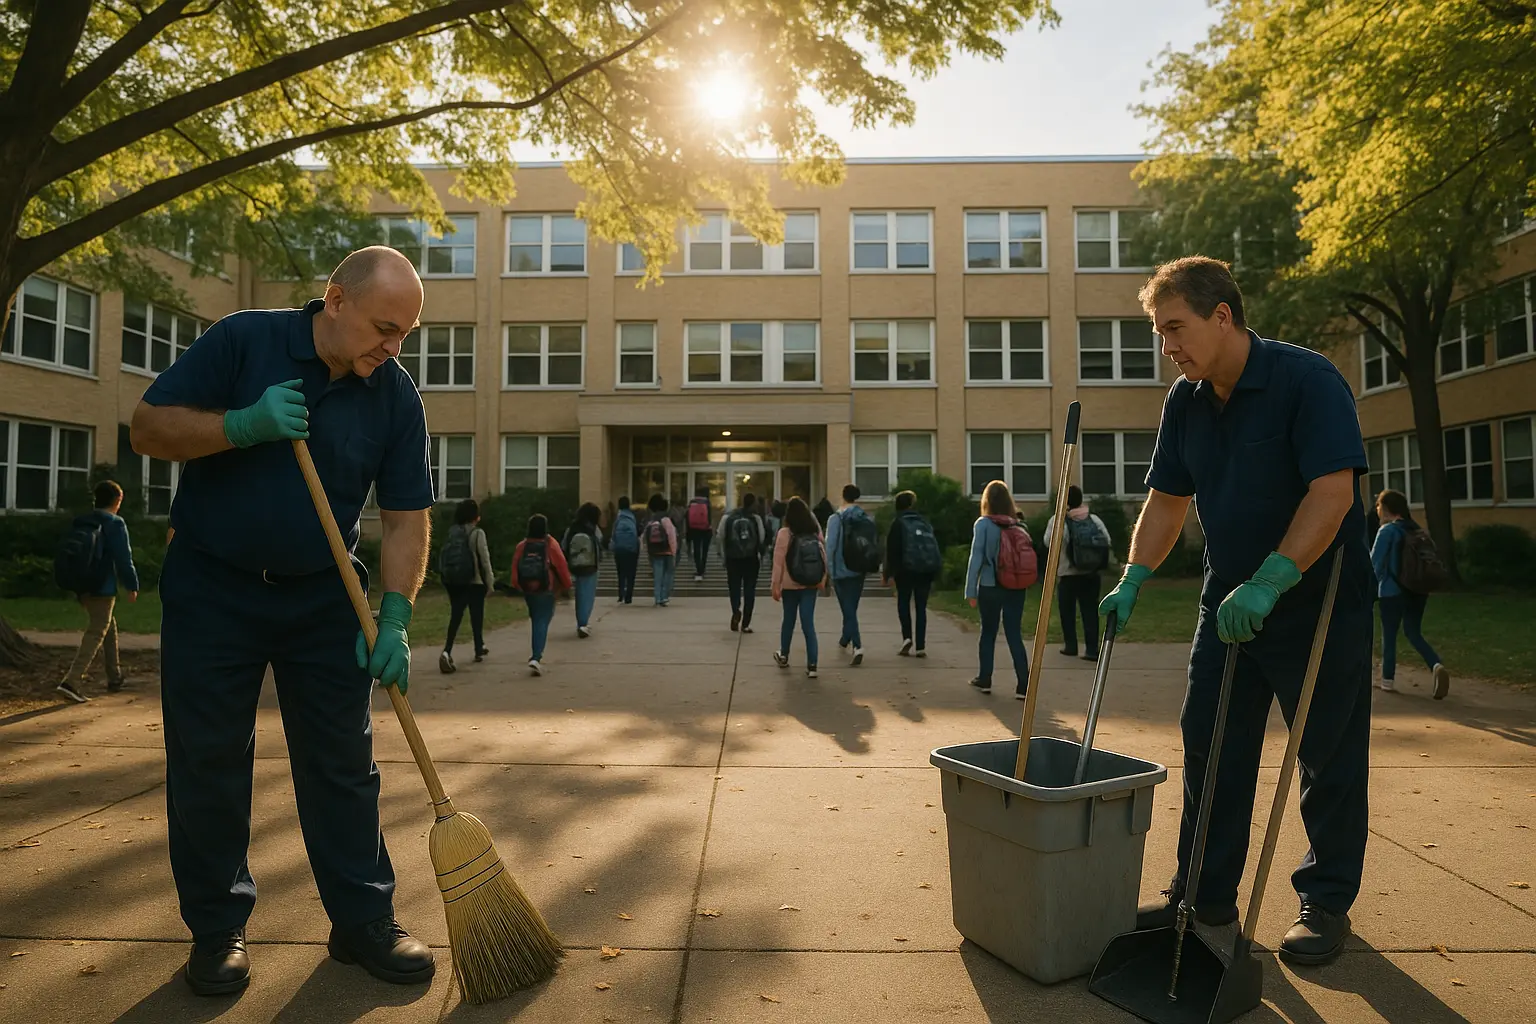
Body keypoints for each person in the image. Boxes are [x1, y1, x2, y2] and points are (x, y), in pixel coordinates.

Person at [130, 246, 436, 995]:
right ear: (335, 299)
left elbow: (405, 519)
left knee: (342, 764)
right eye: (383, 327)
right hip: (214, 588)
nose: (392, 348)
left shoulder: (394, 394)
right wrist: (241, 426)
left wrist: (394, 618)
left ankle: (362, 921)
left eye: (405, 335)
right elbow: (147, 428)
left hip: (325, 597)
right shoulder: (244, 340)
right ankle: (217, 928)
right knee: (209, 762)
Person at [1099, 256, 1373, 966]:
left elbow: (1333, 491)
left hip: (1317, 599)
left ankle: (1326, 900)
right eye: (1160, 334)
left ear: (1223, 315)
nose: (1168, 348)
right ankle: (1202, 894)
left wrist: (1274, 578)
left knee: (1327, 756)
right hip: (1228, 601)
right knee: (1212, 744)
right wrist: (1132, 577)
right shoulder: (1186, 402)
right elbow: (1167, 500)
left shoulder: (1306, 380)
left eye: (1176, 329)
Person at [55, 479, 140, 702]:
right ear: (117, 500)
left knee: (108, 625)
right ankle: (71, 681)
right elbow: (124, 559)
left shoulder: (83, 521)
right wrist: (132, 585)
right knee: (97, 630)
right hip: (103, 587)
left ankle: (115, 676)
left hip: (82, 584)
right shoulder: (115, 523)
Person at [1371, 489, 1450, 697]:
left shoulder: (1387, 531)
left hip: (1391, 592)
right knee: (1413, 632)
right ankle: (1436, 665)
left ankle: (1387, 680)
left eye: (1379, 505)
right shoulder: (1416, 530)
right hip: (1417, 590)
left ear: (1386, 508)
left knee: (1389, 636)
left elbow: (1375, 565)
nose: (1377, 510)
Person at [964, 480, 1032, 698]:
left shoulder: (983, 524)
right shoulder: (1018, 525)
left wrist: (970, 591)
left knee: (988, 632)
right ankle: (1023, 685)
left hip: (990, 586)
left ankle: (985, 679)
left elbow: (976, 559)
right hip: (1016, 586)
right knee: (1014, 633)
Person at [1045, 485, 1113, 661]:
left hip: (1068, 574)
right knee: (1090, 610)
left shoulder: (1058, 520)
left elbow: (1048, 542)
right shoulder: (1093, 519)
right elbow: (1107, 540)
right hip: (1091, 574)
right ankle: (1092, 649)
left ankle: (1071, 645)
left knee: (1067, 611)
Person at [508, 513, 573, 675]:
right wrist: (567, 585)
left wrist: (517, 585)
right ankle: (536, 657)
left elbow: (515, 567)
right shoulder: (550, 545)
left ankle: (536, 654)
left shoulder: (522, 546)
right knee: (542, 621)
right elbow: (561, 565)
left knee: (537, 618)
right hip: (546, 588)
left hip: (529, 589)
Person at [771, 496, 827, 678]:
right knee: (808, 623)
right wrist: (822, 579)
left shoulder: (784, 533)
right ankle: (812, 665)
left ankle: (784, 654)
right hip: (810, 584)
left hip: (789, 585)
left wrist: (775, 585)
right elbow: (822, 556)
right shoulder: (814, 532)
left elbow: (778, 563)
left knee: (788, 620)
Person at [438, 498, 494, 674]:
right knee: (476, 615)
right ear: (475, 516)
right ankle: (478, 649)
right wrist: (490, 583)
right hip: (475, 581)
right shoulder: (477, 533)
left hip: (455, 582)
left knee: (456, 616)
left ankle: (448, 649)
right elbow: (485, 560)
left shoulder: (453, 532)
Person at [883, 489, 940, 657]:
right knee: (921, 607)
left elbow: (892, 550)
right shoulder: (923, 522)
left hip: (905, 570)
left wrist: (888, 574)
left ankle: (907, 638)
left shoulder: (898, 523)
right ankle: (921, 646)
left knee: (904, 603)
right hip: (925, 569)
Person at [826, 484, 877, 666]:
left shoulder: (836, 518)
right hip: (859, 567)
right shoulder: (866, 519)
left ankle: (857, 645)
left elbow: (830, 547)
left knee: (847, 609)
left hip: (841, 568)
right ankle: (844, 638)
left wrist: (829, 572)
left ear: (843, 496)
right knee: (851, 607)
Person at [719, 492, 768, 633]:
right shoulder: (756, 518)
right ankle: (746, 623)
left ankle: (735, 610)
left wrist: (724, 555)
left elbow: (720, 536)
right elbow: (762, 536)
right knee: (749, 590)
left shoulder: (728, 517)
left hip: (733, 558)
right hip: (751, 559)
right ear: (753, 504)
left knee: (734, 587)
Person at [562, 502, 604, 638]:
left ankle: (581, 621)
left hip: (575, 565)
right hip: (590, 565)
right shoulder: (593, 529)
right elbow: (600, 541)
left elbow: (564, 544)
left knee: (579, 595)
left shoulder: (572, 528)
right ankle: (583, 623)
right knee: (588, 595)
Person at [644, 492, 678, 606]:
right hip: (667, 550)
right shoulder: (666, 520)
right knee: (668, 574)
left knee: (657, 575)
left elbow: (645, 538)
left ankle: (657, 597)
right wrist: (673, 551)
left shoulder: (651, 521)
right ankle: (664, 596)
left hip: (655, 551)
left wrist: (648, 551)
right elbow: (672, 536)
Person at [610, 495, 642, 605]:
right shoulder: (632, 517)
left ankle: (620, 594)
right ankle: (629, 596)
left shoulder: (618, 518)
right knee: (631, 574)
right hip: (632, 549)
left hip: (619, 549)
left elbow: (613, 534)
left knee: (621, 573)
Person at [685, 486, 713, 581]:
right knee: (704, 550)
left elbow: (687, 517)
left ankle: (698, 569)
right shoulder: (707, 502)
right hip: (706, 529)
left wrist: (688, 531)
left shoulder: (692, 502)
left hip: (694, 529)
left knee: (697, 549)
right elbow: (709, 517)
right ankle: (703, 568)